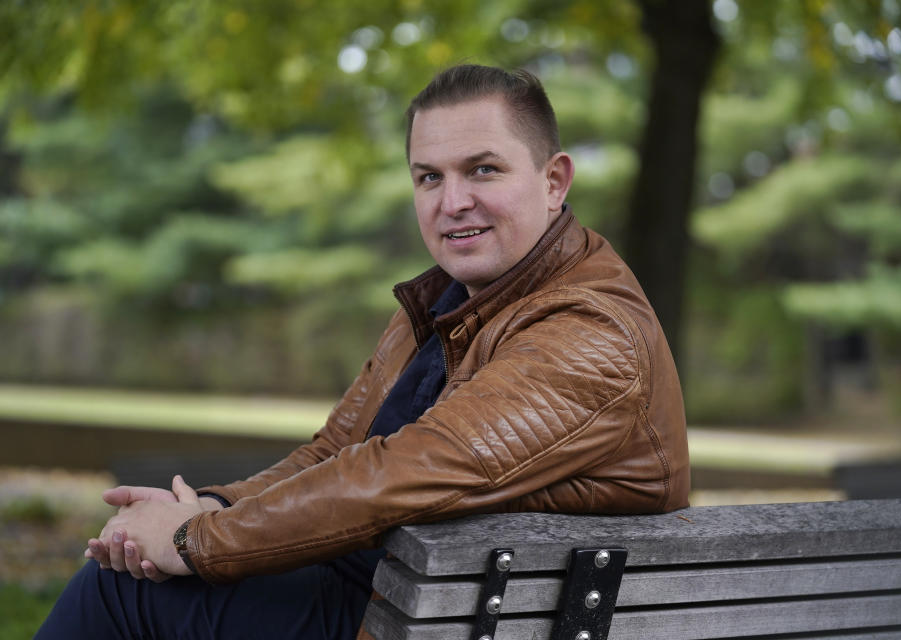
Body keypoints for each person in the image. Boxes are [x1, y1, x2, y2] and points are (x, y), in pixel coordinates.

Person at [36, 64, 688, 640]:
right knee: (135, 583)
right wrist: (214, 506)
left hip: (432, 620)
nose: (452, 201)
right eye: (428, 177)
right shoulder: (445, 304)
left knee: (118, 592)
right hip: (407, 601)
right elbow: (332, 452)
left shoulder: (589, 334)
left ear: (554, 181)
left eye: (482, 169)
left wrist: (195, 540)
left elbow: (396, 474)